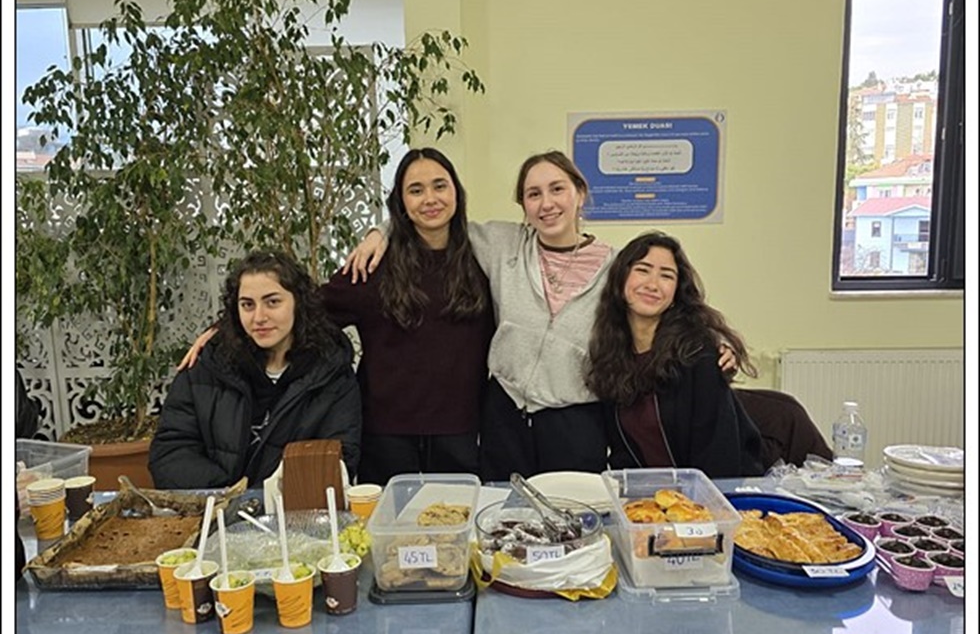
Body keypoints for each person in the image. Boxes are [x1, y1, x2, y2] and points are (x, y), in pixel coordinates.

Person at [350, 150, 737, 479]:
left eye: (557, 189)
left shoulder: (615, 266)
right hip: (504, 417)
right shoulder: (502, 244)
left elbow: (663, 303)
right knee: (504, 521)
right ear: (523, 206)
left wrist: (714, 340)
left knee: (574, 523)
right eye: (533, 194)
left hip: (575, 422)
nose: (546, 203)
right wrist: (379, 232)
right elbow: (432, 216)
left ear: (580, 194)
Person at [177, 151, 494, 484]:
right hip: (385, 437)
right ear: (401, 201)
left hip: (463, 432)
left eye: (439, 186)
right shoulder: (372, 266)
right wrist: (226, 327)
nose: (429, 198)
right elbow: (303, 308)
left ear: (456, 191)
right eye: (415, 190)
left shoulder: (485, 260)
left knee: (459, 515)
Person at [150, 250, 361, 489]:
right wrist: (232, 497)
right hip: (214, 506)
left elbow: (338, 460)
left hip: (293, 509)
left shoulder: (332, 374)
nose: (259, 317)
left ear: (298, 303)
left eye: (273, 302)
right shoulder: (205, 365)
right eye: (247, 305)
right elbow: (170, 453)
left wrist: (267, 498)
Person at [584, 231, 763, 477]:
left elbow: (718, 455)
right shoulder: (610, 355)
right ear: (620, 279)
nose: (652, 285)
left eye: (666, 276)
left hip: (711, 491)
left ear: (676, 292)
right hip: (651, 494)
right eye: (642, 270)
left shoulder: (698, 354)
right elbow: (622, 453)